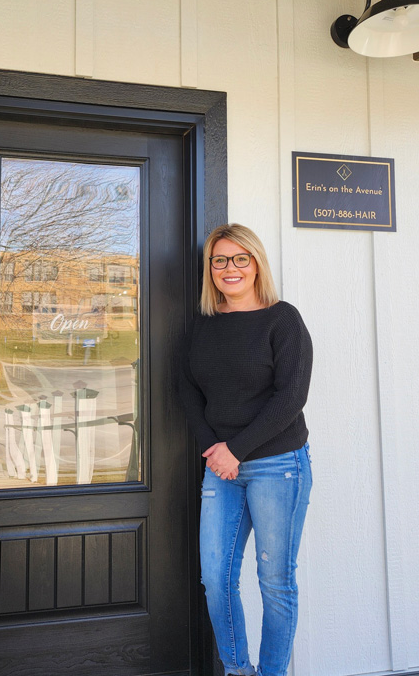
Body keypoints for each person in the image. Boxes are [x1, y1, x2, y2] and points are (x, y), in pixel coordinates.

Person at [179, 223, 313, 676]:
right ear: (210, 269)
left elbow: (290, 397)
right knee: (216, 578)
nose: (230, 268)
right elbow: (187, 390)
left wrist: (236, 450)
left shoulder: (283, 319)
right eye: (220, 260)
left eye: (241, 259)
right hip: (221, 467)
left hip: (278, 464)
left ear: (256, 264)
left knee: (275, 582)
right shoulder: (204, 324)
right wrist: (214, 450)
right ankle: (239, 671)